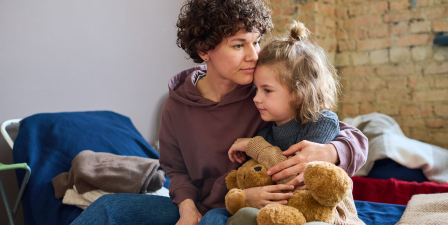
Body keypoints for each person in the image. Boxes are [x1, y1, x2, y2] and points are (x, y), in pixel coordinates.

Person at [71, 1, 368, 225]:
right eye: (239, 45)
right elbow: (175, 169)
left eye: (256, 42)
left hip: (245, 205)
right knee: (108, 208)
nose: (253, 55)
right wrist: (186, 206)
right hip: (200, 204)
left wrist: (330, 152)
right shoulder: (177, 105)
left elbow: (342, 131)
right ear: (204, 49)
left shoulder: (263, 91)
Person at [226, 21, 364, 225]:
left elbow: (298, 176)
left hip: (328, 217)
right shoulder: (266, 135)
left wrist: (253, 146)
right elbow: (258, 178)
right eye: (256, 89)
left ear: (299, 94)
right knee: (242, 218)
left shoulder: (321, 121)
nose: (256, 98)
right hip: (285, 214)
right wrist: (246, 195)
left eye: (267, 90)